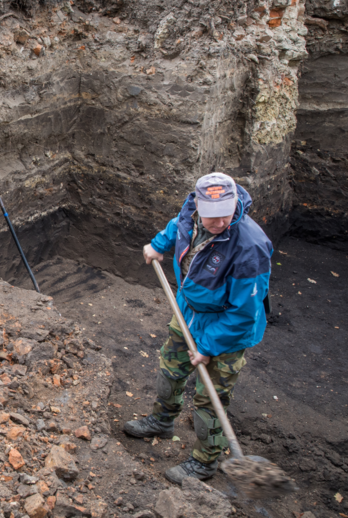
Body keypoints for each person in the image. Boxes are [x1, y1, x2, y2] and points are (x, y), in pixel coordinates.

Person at [123, 173, 273, 484]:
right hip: (189, 311)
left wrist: (207, 346)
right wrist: (158, 244)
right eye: (212, 217)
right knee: (170, 369)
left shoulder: (250, 248)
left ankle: (206, 462)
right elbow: (177, 228)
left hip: (227, 329)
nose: (218, 223)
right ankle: (162, 422)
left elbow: (244, 313)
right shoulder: (191, 213)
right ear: (198, 206)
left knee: (210, 399)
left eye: (226, 216)